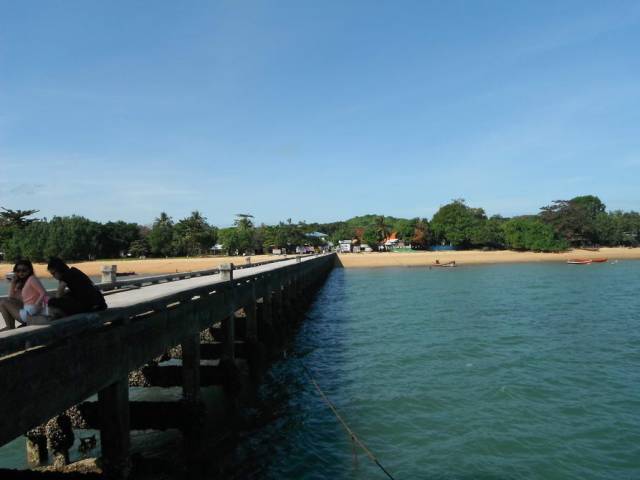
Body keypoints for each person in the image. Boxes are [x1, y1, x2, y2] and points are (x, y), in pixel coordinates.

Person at [0, 259, 47, 330]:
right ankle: (10, 326)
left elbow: (43, 293)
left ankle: (10, 327)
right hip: (26, 310)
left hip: (30, 313)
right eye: (18, 271)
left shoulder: (32, 279)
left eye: (24, 270)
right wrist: (13, 283)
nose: (21, 273)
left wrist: (35, 306)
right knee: (4, 302)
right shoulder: (21, 283)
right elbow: (11, 298)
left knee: (2, 302)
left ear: (29, 270)